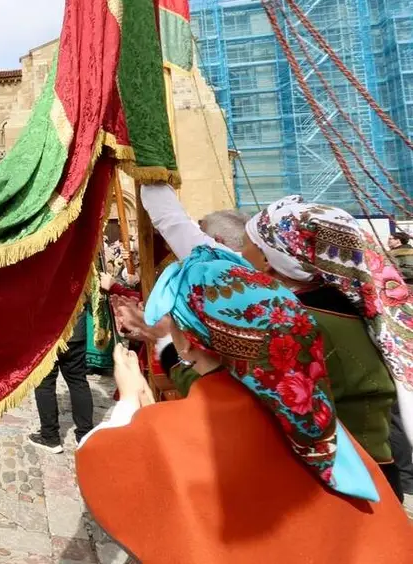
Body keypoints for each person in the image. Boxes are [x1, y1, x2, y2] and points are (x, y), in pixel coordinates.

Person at [76, 246, 413, 563]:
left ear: (190, 342)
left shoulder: (177, 427)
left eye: (174, 324)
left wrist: (131, 396)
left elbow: (100, 456)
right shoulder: (310, 414)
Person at [140, 185, 411, 497]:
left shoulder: (297, 324)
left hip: (332, 487)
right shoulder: (364, 307)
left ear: (268, 260)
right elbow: (188, 236)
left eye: (248, 246)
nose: (240, 255)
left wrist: (172, 351)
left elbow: (242, 403)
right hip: (377, 472)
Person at [30, 311, 95, 452]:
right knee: (78, 382)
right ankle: (85, 435)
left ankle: (50, 437)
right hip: (75, 329)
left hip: (46, 331)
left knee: (44, 384)